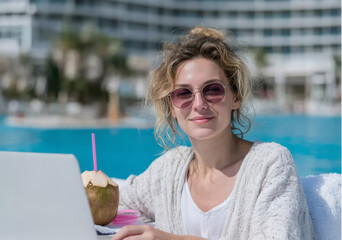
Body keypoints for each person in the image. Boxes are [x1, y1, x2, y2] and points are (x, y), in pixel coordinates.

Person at [112, 26, 315, 240]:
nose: (199, 104)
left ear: (236, 97)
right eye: (183, 93)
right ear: (171, 106)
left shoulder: (270, 164)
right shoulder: (166, 172)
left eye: (213, 90)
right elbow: (118, 199)